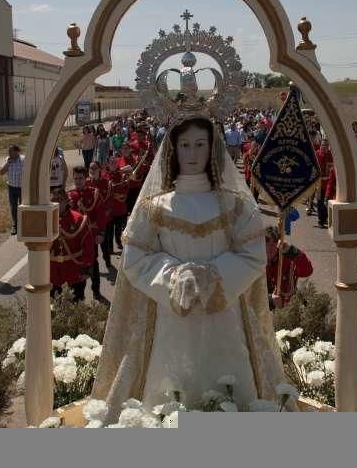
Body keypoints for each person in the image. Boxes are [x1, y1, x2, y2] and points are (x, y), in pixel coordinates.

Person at [93, 113, 296, 420]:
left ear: (211, 149)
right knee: (171, 394)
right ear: (174, 150)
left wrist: (214, 274)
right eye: (185, 145)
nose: (192, 153)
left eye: (200, 144)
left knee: (231, 386)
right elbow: (134, 260)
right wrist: (174, 275)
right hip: (172, 316)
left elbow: (253, 255)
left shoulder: (235, 204)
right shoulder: (155, 208)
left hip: (225, 316)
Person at [69, 166, 109, 304]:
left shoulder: (94, 194)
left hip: (90, 237)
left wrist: (101, 233)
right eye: (75, 179)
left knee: (92, 264)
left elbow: (101, 216)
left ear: (86, 178)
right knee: (76, 266)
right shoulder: (70, 196)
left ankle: (96, 290)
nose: (78, 181)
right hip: (74, 239)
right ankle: (78, 295)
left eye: (80, 178)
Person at [49, 187, 95, 302]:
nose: (56, 203)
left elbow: (88, 245)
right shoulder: (46, 219)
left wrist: (87, 267)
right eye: (53, 200)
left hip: (74, 271)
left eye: (59, 200)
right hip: (53, 273)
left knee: (76, 306)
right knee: (53, 308)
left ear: (66, 201)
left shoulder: (78, 219)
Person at [264, 226, 313, 309]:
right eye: (267, 244)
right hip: (263, 310)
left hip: (287, 310)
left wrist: (293, 251)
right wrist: (270, 300)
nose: (270, 248)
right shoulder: (254, 262)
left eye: (274, 244)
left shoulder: (286, 259)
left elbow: (307, 270)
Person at [0, 144, 25, 236]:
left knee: (23, 207)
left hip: (22, 188)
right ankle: (15, 225)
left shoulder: (23, 159)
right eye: (8, 151)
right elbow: (1, 172)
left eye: (11, 151)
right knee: (13, 207)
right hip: (11, 187)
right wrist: (8, 163)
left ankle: (24, 226)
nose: (9, 153)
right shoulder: (7, 160)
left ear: (16, 151)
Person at [315, 138, 334, 229]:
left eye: (326, 145)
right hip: (319, 183)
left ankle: (325, 217)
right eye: (323, 145)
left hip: (328, 183)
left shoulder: (331, 155)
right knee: (319, 202)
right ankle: (320, 220)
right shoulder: (316, 154)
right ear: (320, 146)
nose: (324, 147)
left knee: (326, 202)